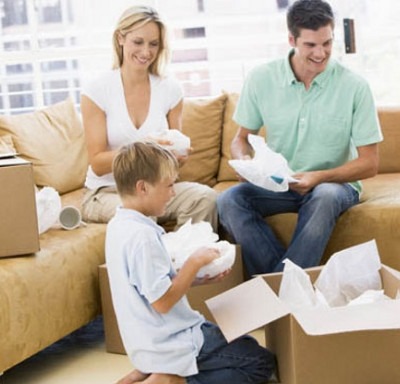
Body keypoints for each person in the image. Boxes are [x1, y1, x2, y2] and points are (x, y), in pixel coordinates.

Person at [217, 0, 383, 276]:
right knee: (228, 201)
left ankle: (278, 290)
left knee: (325, 196)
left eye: (327, 43)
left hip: (332, 185)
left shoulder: (354, 87)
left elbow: (370, 164)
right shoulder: (262, 78)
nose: (321, 53)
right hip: (279, 185)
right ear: (292, 39)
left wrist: (317, 177)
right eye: (310, 45)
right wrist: (245, 163)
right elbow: (240, 139)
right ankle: (288, 286)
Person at [106, 141, 276, 384]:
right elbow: (162, 302)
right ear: (142, 187)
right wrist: (194, 263)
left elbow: (147, 287)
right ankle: (171, 379)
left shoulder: (119, 226)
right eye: (169, 185)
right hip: (174, 339)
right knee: (261, 363)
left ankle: (152, 370)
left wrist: (195, 280)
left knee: (242, 345)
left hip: (147, 342)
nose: (173, 193)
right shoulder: (143, 238)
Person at [81, 5, 217, 231]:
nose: (146, 52)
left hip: (154, 190)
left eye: (153, 44)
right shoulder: (97, 90)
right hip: (105, 192)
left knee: (204, 197)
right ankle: (160, 265)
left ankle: (186, 260)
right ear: (121, 38)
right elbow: (97, 163)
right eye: (138, 42)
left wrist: (176, 157)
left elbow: (174, 163)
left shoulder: (170, 90)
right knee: (141, 211)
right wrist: (144, 149)